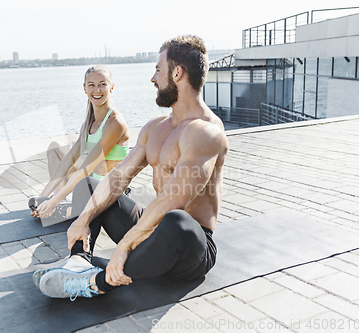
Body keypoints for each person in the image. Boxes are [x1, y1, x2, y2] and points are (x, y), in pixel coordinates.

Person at [33, 35, 229, 300]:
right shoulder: (154, 128)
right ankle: (78, 262)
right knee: (92, 183)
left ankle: (95, 283)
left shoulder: (206, 133)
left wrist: (124, 245)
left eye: (158, 70)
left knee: (177, 220)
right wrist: (82, 220)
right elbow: (117, 178)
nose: (153, 79)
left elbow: (175, 199)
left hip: (188, 248)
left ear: (178, 73)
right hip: (151, 231)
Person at [30, 65, 130, 221]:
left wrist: (52, 201)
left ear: (111, 87)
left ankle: (61, 208)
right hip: (88, 184)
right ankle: (58, 206)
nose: (97, 90)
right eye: (91, 85)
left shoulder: (115, 123)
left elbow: (86, 168)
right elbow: (68, 160)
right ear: (84, 88)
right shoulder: (89, 123)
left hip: (108, 190)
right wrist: (43, 197)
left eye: (102, 84)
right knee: (55, 147)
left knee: (83, 181)